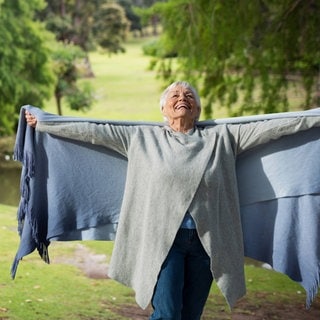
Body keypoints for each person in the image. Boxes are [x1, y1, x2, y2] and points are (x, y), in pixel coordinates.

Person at [25, 81, 320, 320]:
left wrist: (315, 117)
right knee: (167, 314)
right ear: (164, 110)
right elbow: (92, 130)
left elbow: (275, 126)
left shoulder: (223, 137)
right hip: (162, 243)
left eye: (189, 95)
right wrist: (47, 123)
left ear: (198, 109)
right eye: (175, 95)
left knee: (190, 315)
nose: (182, 97)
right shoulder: (141, 138)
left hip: (207, 244)